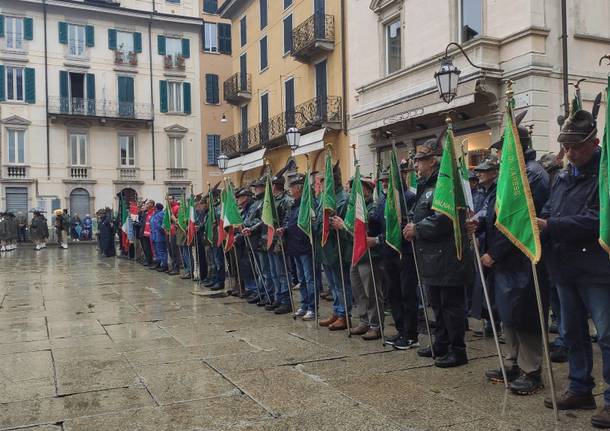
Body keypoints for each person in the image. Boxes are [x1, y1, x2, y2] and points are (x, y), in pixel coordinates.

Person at [538, 108, 610, 428]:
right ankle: (580, 388)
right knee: (571, 333)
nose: (570, 152)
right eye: (566, 146)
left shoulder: (605, 176)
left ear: (594, 142)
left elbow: (596, 220)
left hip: (595, 269)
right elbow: (550, 210)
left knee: (606, 335)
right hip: (564, 267)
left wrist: (550, 225)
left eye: (576, 146)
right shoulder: (563, 177)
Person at [403, 138, 472, 368]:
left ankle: (457, 349)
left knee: (450, 306)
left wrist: (418, 229)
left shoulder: (444, 184)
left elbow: (444, 218)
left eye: (420, 161)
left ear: (433, 161)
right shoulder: (426, 186)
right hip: (431, 257)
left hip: (447, 257)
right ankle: (441, 343)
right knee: (437, 305)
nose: (416, 166)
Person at [333, 176, 384, 340]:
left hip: (369, 256)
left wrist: (343, 226)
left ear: (368, 190)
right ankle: (364, 321)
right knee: (359, 291)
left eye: (359, 188)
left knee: (371, 292)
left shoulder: (372, 208)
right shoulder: (353, 208)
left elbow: (362, 233)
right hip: (355, 255)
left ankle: (376, 325)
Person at [317, 162, 353, 331]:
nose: (322, 184)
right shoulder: (325, 198)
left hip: (338, 248)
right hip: (326, 248)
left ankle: (345, 314)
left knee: (341, 284)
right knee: (333, 285)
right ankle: (337, 311)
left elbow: (345, 225)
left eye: (325, 180)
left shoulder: (342, 199)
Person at [279, 173, 319, 321]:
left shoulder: (307, 203)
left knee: (309, 279)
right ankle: (304, 305)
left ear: (299, 189)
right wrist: (283, 228)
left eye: (293, 186)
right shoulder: (292, 204)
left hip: (305, 246)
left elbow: (312, 222)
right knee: (301, 279)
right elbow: (287, 220)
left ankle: (312, 308)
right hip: (294, 246)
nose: (290, 189)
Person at [242, 179, 273, 306]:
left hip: (262, 239)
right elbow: (250, 219)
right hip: (254, 240)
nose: (256, 190)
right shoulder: (256, 203)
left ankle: (268, 294)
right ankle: (261, 292)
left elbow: (263, 220)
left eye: (259, 187)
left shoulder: (265, 202)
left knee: (266, 271)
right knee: (259, 270)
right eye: (256, 188)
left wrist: (251, 227)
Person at [266, 174, 294, 315]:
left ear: (275, 186)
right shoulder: (271, 201)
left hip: (281, 241)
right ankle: (278, 298)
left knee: (283, 273)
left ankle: (286, 301)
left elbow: (289, 219)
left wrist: (283, 229)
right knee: (274, 273)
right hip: (271, 239)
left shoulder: (286, 200)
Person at [234, 188, 258, 299]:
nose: (237, 200)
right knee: (245, 266)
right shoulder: (243, 209)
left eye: (239, 197)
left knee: (251, 267)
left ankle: (255, 289)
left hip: (253, 241)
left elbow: (249, 223)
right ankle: (249, 288)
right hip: (243, 241)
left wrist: (241, 228)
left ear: (245, 198)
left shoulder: (252, 207)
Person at [150, 203, 168, 272]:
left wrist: (161, 230)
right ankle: (158, 263)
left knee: (161, 251)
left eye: (155, 207)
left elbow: (163, 224)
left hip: (160, 236)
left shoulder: (161, 214)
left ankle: (164, 265)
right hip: (154, 235)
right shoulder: (154, 214)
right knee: (156, 251)